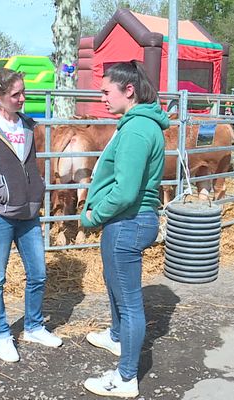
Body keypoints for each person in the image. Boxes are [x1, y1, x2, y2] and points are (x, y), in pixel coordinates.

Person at [80, 60, 169, 398]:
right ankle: (117, 337)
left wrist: (94, 215)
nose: (102, 98)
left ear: (128, 90)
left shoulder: (136, 129)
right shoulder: (139, 123)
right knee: (116, 285)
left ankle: (126, 378)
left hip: (128, 221)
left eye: (106, 91)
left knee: (131, 303)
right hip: (130, 220)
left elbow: (126, 190)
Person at [0, 68, 62, 363]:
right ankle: (3, 335)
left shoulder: (28, 125)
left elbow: (30, 165)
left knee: (39, 273)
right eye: (15, 94)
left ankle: (33, 326)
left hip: (28, 212)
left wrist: (37, 190)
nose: (23, 98)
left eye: (23, 92)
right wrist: (1, 194)